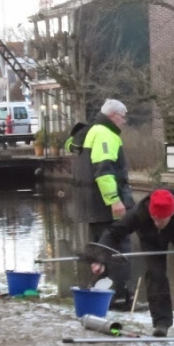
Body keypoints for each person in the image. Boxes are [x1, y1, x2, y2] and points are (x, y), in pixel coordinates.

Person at [92, 189, 174, 338]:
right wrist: (100, 258)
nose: (157, 222)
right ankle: (161, 323)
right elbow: (113, 233)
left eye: (161, 219)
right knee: (156, 274)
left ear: (171, 213)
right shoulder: (140, 213)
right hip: (151, 238)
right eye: (154, 217)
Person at [69, 99, 135, 309]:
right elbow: (104, 170)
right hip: (104, 205)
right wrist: (114, 200)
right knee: (118, 249)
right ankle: (120, 298)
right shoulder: (106, 134)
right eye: (123, 116)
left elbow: (72, 147)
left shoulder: (88, 132)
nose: (124, 121)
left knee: (100, 250)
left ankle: (101, 295)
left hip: (89, 204)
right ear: (113, 116)